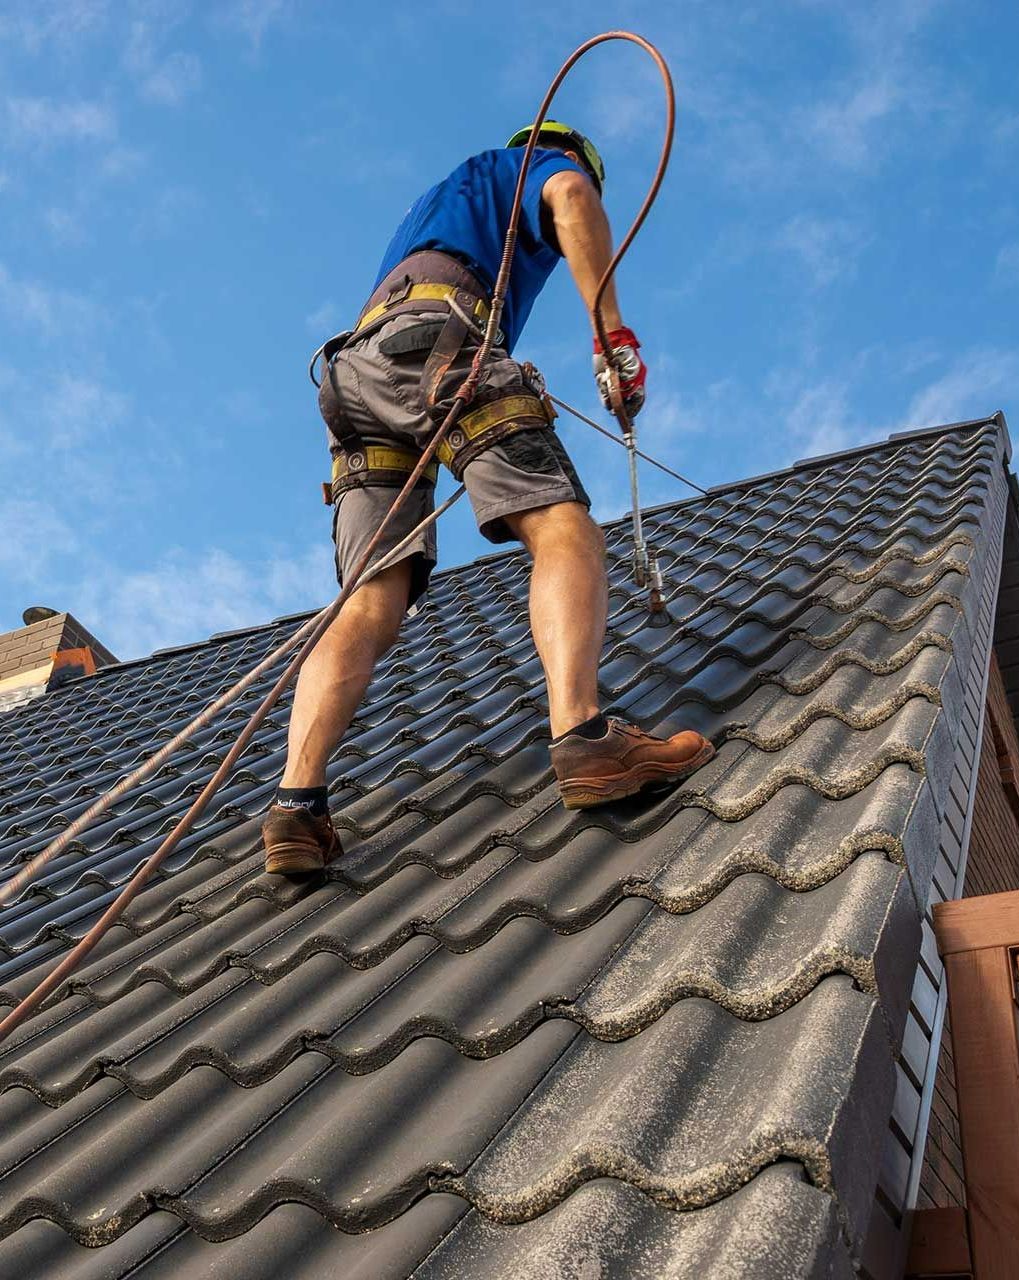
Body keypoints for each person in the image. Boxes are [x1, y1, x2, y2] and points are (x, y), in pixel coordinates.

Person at [262, 121, 714, 875]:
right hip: (439, 344)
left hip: (356, 377)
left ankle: (296, 809)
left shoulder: (441, 204)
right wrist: (613, 342)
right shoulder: (539, 168)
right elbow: (568, 195)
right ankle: (583, 734)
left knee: (369, 599)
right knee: (564, 529)